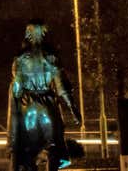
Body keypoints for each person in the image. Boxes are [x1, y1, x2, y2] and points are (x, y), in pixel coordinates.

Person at [7, 21, 82, 171]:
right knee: (53, 148)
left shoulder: (20, 59)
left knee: (28, 153)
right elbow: (62, 88)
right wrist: (73, 109)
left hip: (27, 107)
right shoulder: (51, 57)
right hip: (48, 105)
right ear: (43, 34)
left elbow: (16, 89)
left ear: (28, 34)